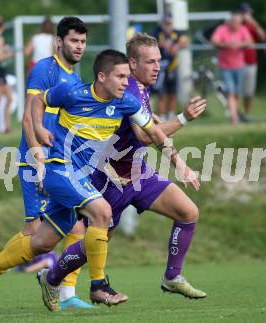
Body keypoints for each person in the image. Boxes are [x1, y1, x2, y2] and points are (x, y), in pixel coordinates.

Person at [0, 49, 199, 311]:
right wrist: (40, 128)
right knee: (102, 211)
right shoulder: (73, 93)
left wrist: (180, 164)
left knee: (42, 243)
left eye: (126, 77)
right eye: (120, 76)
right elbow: (37, 101)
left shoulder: (127, 103)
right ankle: (98, 286)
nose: (125, 81)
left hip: (82, 176)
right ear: (101, 76)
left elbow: (154, 133)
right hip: (60, 170)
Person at [36, 33, 207, 312]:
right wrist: (183, 118)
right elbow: (144, 136)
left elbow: (147, 129)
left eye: (159, 61)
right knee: (96, 242)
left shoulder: (140, 89)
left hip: (140, 174)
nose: (157, 67)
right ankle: (51, 276)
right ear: (132, 63)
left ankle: (172, 276)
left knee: (188, 212)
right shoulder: (127, 89)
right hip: (113, 180)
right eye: (150, 61)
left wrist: (180, 163)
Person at [0, 17, 92, 314]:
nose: (79, 47)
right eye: (74, 40)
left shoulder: (75, 79)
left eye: (83, 42)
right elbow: (28, 118)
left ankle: (66, 292)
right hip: (35, 159)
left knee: (79, 221)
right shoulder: (44, 69)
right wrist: (36, 157)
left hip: (60, 162)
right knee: (34, 232)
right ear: (59, 41)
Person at [211, 13, 252, 125]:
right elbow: (214, 41)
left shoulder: (243, 29)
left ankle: (235, 114)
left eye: (238, 23)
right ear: (230, 22)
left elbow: (249, 41)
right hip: (225, 67)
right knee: (231, 92)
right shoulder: (222, 29)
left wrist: (239, 44)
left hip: (239, 66)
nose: (236, 25)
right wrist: (226, 45)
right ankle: (234, 119)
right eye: (234, 23)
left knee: (237, 93)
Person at [152, 13, 188, 121]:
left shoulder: (176, 33)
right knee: (161, 93)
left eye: (169, 23)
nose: (168, 25)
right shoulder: (157, 32)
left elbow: (186, 42)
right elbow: (150, 42)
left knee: (173, 92)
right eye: (166, 23)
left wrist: (178, 45)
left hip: (172, 67)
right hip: (160, 68)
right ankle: (162, 117)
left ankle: (171, 114)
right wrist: (160, 44)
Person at [238, 3, 266, 121]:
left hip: (250, 62)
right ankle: (236, 114)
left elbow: (264, 37)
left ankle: (246, 114)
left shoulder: (253, 26)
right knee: (236, 91)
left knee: (249, 92)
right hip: (236, 63)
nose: (246, 15)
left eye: (248, 13)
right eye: (244, 13)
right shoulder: (236, 25)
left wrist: (254, 23)